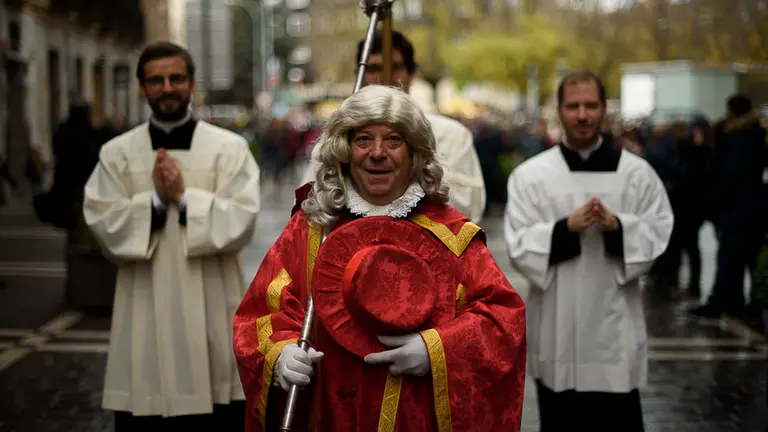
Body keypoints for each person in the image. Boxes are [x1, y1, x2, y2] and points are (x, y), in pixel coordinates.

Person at [234, 85, 526, 431]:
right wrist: (279, 353)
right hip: (327, 413)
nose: (377, 153)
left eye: (393, 140)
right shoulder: (311, 228)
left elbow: (503, 320)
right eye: (363, 140)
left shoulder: (451, 235)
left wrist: (436, 350)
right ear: (344, 150)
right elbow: (259, 314)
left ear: (414, 153)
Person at [83, 42, 261, 430]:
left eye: (176, 78)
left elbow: (243, 218)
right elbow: (102, 219)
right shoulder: (117, 153)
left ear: (191, 83)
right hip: (144, 309)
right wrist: (154, 202)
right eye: (156, 80)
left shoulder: (229, 149)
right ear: (141, 88)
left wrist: (183, 199)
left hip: (213, 311)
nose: (167, 88)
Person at [504, 70, 674, 431]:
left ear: (604, 109)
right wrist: (565, 229)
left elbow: (659, 229)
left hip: (614, 325)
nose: (582, 115)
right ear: (559, 110)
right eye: (573, 106)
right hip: (556, 324)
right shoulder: (531, 176)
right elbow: (518, 241)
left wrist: (619, 228)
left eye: (591, 105)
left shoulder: (637, 174)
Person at [301, 31, 486, 223]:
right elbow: (313, 203)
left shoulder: (451, 134)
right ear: (360, 74)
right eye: (373, 68)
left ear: (412, 73)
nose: (384, 76)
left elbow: (466, 209)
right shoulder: (339, 135)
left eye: (395, 67)